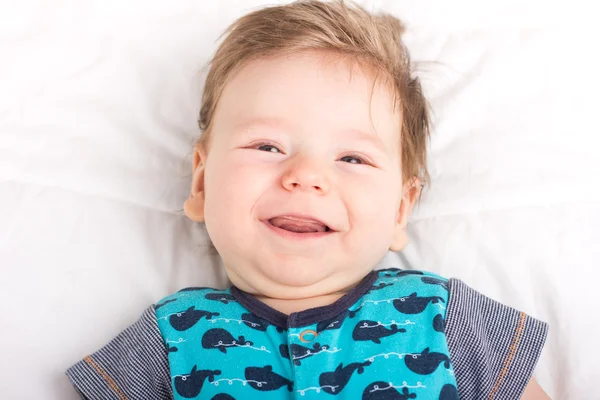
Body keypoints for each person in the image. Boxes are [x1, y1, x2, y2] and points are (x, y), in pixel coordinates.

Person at [66, 1, 549, 398]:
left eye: (353, 158)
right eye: (267, 147)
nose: (305, 177)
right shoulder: (170, 337)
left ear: (401, 208)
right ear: (201, 184)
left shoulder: (443, 316)